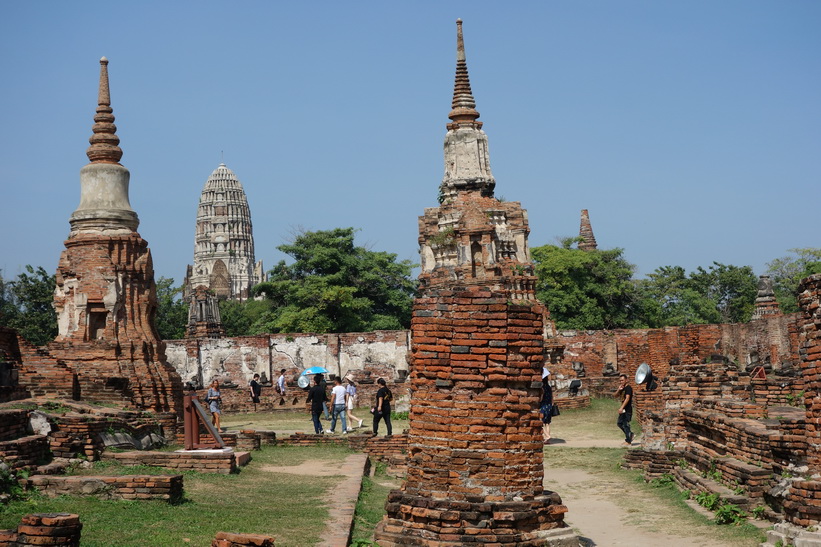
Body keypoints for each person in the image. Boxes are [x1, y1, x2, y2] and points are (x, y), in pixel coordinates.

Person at [616, 373, 634, 446]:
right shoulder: (622, 388)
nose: (621, 382)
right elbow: (615, 395)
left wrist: (621, 407)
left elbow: (627, 398)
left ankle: (628, 441)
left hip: (627, 409)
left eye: (622, 380)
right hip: (623, 410)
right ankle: (630, 434)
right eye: (620, 380)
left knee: (625, 424)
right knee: (619, 423)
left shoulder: (628, 388)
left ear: (626, 380)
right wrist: (618, 389)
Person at [540, 368, 553, 444]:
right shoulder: (549, 387)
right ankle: (547, 439)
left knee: (540, 422)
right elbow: (552, 397)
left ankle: (547, 436)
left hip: (543, 405)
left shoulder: (542, 388)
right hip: (549, 406)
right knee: (547, 423)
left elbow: (541, 398)